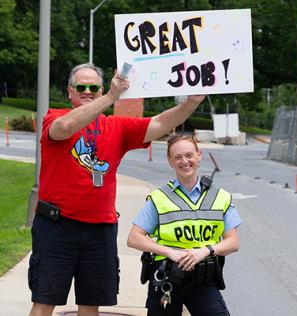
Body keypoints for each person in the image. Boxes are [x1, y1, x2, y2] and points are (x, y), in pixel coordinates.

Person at [28, 64, 205, 316]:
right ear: (70, 92)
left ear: (100, 89)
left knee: (91, 304)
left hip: (100, 228)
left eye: (94, 87)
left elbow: (158, 123)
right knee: (45, 300)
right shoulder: (55, 117)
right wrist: (111, 97)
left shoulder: (117, 127)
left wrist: (190, 105)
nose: (87, 91)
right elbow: (63, 129)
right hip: (56, 227)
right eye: (81, 87)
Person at [127, 134, 241, 316]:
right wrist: (169, 252)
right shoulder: (159, 198)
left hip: (203, 279)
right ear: (170, 161)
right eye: (177, 157)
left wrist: (206, 251)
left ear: (199, 155)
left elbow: (233, 242)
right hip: (167, 279)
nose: (184, 161)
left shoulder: (221, 197)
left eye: (189, 155)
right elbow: (133, 238)